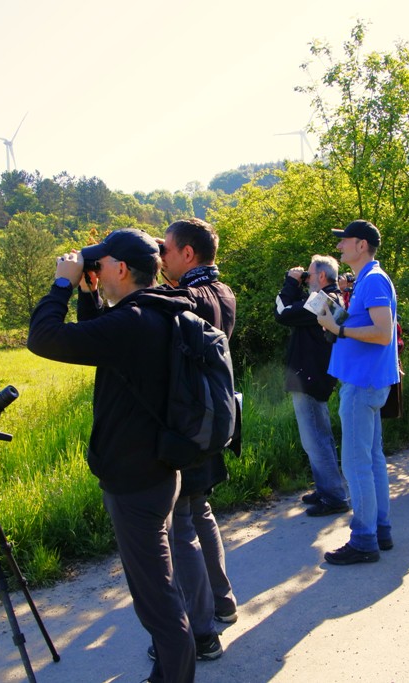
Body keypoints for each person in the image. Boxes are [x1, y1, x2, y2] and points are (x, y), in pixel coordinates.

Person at [27, 229, 195, 683]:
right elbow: (102, 347)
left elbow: (44, 338)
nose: (93, 271)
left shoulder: (133, 322)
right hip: (158, 469)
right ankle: (167, 668)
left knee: (156, 599)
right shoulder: (159, 310)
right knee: (159, 587)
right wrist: (88, 298)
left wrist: (61, 285)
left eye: (98, 265)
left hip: (135, 480)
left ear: (120, 269)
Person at [156, 218, 237, 656]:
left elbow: (150, 309)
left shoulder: (185, 298)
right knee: (200, 511)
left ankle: (200, 629)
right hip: (215, 416)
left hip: (188, 421)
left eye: (165, 250)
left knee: (181, 522)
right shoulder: (222, 291)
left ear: (187, 254)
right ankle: (222, 603)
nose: (161, 258)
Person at [314, 220, 398, 565]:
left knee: (356, 464)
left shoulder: (374, 280)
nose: (339, 248)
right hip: (367, 380)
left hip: (362, 383)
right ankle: (380, 530)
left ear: (361, 245)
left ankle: (364, 540)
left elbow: (382, 333)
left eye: (344, 241)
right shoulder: (369, 278)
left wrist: (338, 327)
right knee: (372, 459)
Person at [274, 255, 350, 517]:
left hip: (310, 377)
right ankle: (327, 487)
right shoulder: (329, 297)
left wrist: (290, 282)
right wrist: (296, 285)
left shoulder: (324, 299)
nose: (305, 278)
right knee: (320, 435)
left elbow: (283, 314)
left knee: (315, 438)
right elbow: (295, 312)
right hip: (315, 374)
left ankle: (334, 497)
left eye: (308, 274)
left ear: (320, 276)